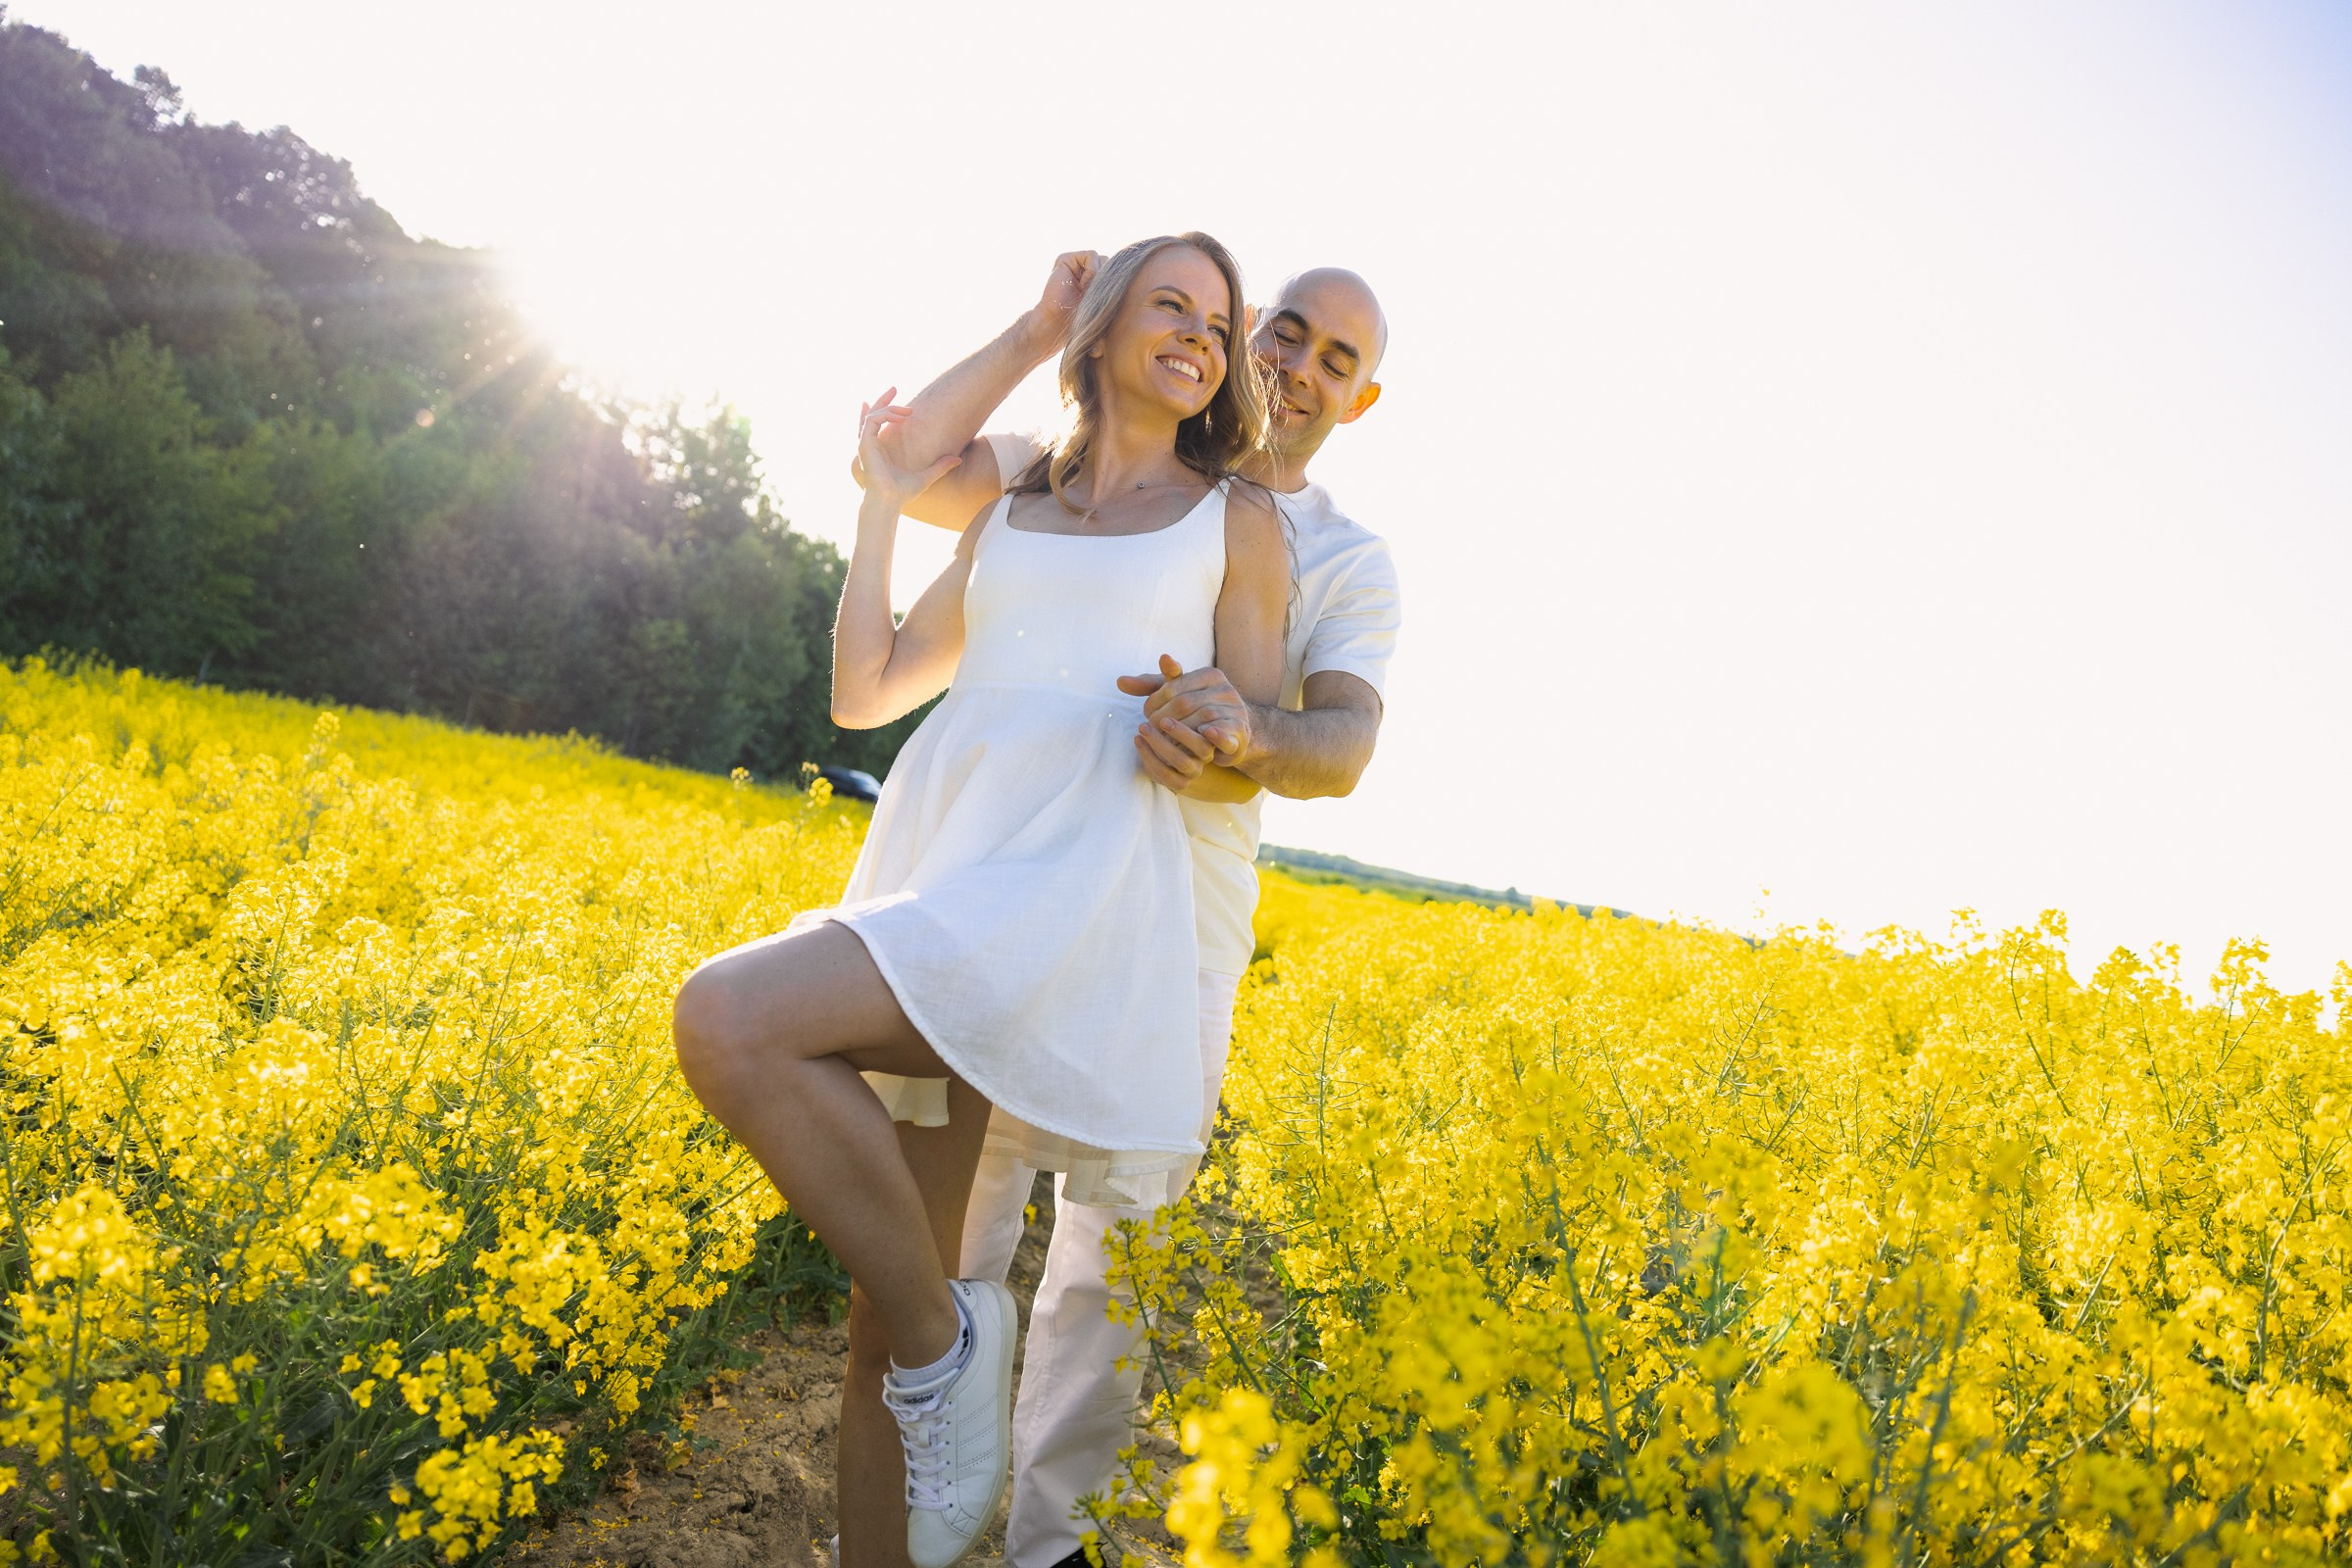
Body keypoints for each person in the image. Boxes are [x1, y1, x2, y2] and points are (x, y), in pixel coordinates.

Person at [672, 232, 1292, 1568]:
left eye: (1217, 320)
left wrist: (1215, 729)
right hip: (949, 872)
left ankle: (950, 1344)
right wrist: (886, 499)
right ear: (1106, 323)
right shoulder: (1018, 502)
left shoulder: (1237, 523)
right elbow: (868, 688)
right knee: (875, 1320)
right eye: (1166, 303)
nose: (1196, 332)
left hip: (1067, 892)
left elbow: (1252, 751)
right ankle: (932, 1366)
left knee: (729, 1017)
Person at [870, 255, 1398, 1568]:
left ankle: (1048, 1550)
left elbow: (1338, 747)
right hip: (1025, 860)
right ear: (1241, 339)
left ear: (1362, 398)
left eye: (1339, 360)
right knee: (960, 1196)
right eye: (1285, 332)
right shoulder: (1089, 475)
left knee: (1116, 1248)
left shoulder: (1342, 555)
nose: (1300, 367)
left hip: (1186, 891)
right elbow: (919, 502)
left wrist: (1244, 729)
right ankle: (917, 1522)